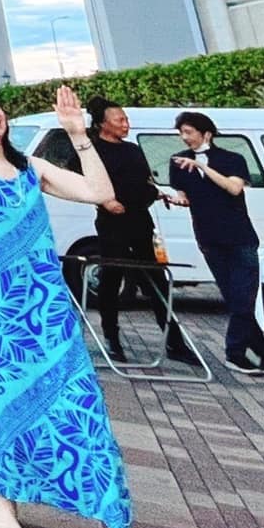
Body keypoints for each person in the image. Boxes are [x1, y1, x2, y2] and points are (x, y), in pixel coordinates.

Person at [0, 44, 165, 528]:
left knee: (83, 413)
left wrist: (79, 135)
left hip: (46, 313)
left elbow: (99, 192)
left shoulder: (32, 169)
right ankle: (4, 501)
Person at [167, 113, 264, 376]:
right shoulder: (178, 162)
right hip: (208, 237)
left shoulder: (232, 159)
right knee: (234, 299)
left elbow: (234, 188)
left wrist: (202, 167)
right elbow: (184, 194)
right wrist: (177, 199)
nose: (184, 137)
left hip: (240, 237)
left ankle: (235, 354)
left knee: (244, 297)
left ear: (206, 133)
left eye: (189, 132)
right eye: (181, 133)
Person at [83, 96, 191, 366]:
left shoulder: (132, 149)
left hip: (141, 221)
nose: (125, 124)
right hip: (112, 224)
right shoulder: (92, 151)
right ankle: (112, 338)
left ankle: (174, 341)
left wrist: (158, 193)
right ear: (102, 124)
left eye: (126, 119)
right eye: (119, 120)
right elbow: (82, 183)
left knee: (156, 280)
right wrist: (105, 201)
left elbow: (145, 181)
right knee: (111, 280)